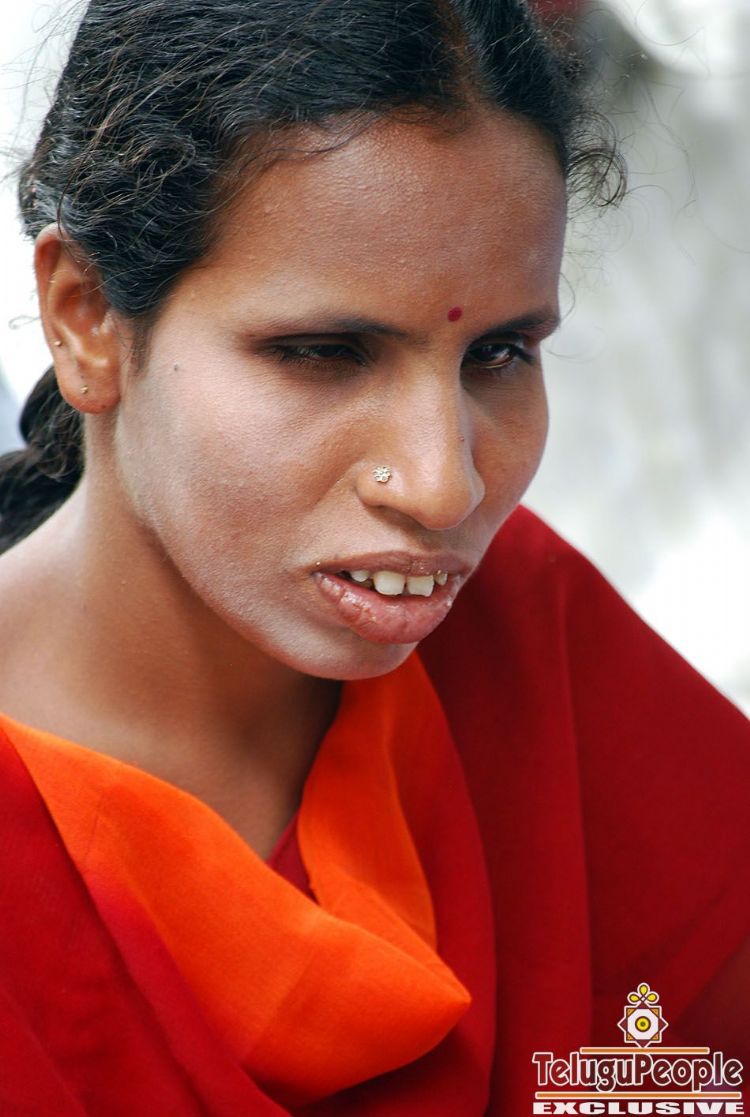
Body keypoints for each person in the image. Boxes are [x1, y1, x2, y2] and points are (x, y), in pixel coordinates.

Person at [0, 1, 746, 1114]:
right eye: (324, 352)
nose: (445, 486)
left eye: (500, 352)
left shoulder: (530, 645)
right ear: (86, 317)